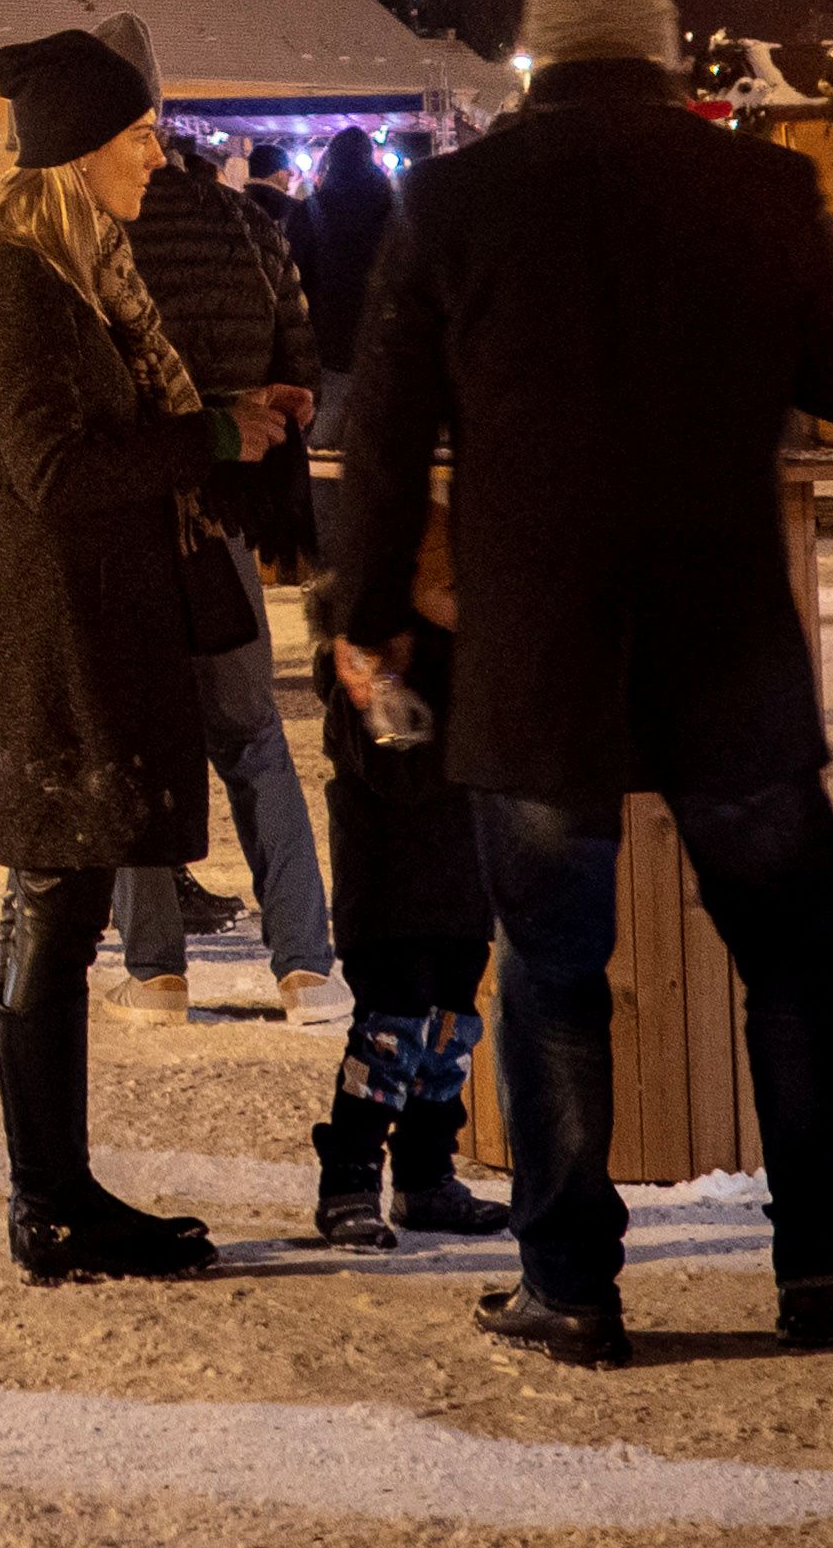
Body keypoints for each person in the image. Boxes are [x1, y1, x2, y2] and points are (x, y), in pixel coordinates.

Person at [336, 0, 833, 1367]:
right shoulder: (762, 186)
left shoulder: (450, 203)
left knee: (551, 969)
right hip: (723, 639)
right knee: (795, 960)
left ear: (543, 58)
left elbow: (383, 439)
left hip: (536, 657)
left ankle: (572, 1285)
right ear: (667, 53)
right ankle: (830, 1267)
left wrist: (369, 621)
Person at [0, 26, 274, 1284]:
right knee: (49, 898)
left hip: (79, 617)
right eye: (139, 136)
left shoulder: (71, 275)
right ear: (79, 154)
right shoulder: (16, 284)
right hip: (49, 629)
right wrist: (214, 443)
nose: (157, 155)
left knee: (58, 901)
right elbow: (57, 469)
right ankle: (50, 1199)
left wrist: (219, 430)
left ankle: (59, 1189)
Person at [109, 122, 336, 1021]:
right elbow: (301, 355)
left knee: (140, 738)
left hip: (130, 513)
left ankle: (156, 968)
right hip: (224, 507)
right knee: (253, 737)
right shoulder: (244, 221)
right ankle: (307, 963)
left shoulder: (91, 231)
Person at [302, 506, 510, 1250]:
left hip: (461, 885)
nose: (472, 597)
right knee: (389, 1038)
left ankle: (427, 1178)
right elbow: (403, 774)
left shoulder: (462, 653)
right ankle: (349, 1181)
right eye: (454, 582)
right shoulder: (367, 673)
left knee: (450, 1038)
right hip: (391, 891)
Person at [299, 127, 400, 442]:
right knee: (381, 442)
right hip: (384, 340)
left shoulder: (311, 210)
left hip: (327, 340)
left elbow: (293, 276)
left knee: (323, 441)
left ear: (331, 161)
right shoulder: (394, 210)